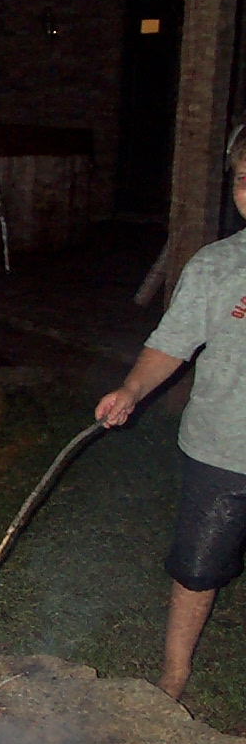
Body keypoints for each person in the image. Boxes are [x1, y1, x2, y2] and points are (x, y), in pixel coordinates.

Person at [95, 133, 246, 702]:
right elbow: (173, 342)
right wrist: (132, 389)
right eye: (243, 178)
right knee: (196, 567)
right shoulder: (217, 265)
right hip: (221, 446)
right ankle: (174, 672)